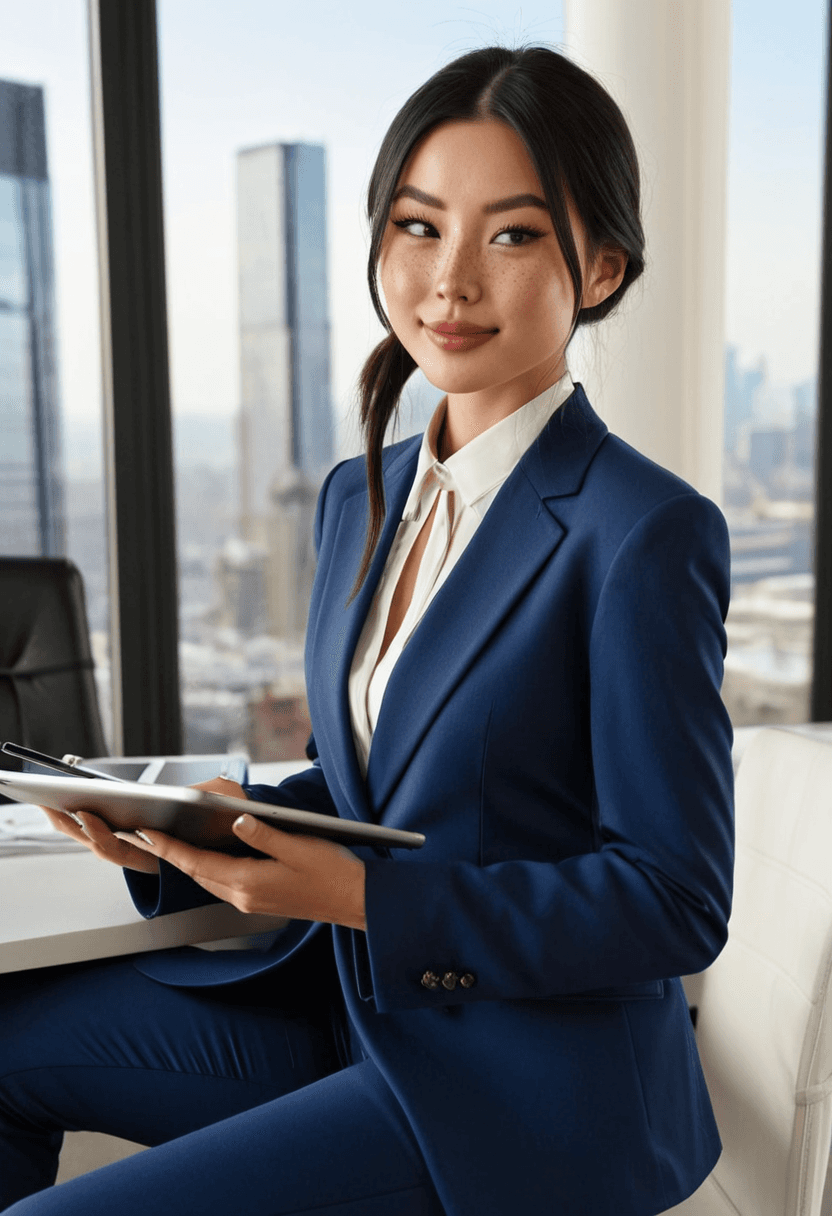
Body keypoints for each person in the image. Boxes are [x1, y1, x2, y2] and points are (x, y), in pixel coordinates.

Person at [0, 43, 734, 1216]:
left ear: (598, 264)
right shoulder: (362, 493)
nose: (448, 284)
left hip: (515, 1086)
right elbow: (383, 781)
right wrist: (194, 828)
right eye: (416, 226)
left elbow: (673, 897)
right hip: (345, 1008)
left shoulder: (641, 531)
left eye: (512, 234)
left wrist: (358, 899)